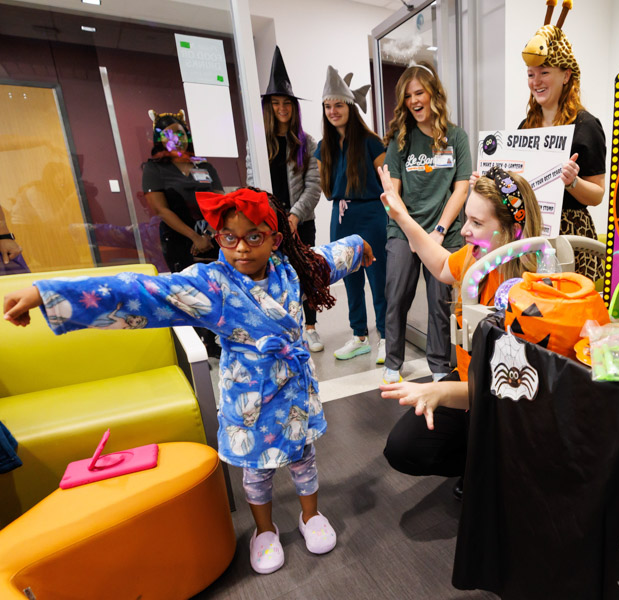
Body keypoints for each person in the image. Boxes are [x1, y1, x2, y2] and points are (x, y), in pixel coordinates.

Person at [3, 187, 374, 576]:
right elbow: (142, 292)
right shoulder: (212, 285)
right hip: (252, 399)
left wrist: (361, 244)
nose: (241, 248)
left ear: (275, 239)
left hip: (295, 392)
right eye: (228, 238)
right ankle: (264, 530)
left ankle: (310, 516)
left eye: (253, 237)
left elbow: (330, 257)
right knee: (256, 471)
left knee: (304, 458)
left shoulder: (292, 269)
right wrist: (46, 294)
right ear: (218, 239)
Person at [377, 164, 542, 496]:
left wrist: (437, 392)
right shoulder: (477, 258)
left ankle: (492, 470)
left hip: (508, 403)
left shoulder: (531, 292)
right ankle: (478, 465)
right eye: (466, 218)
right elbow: (440, 264)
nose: (464, 230)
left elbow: (508, 388)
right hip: (471, 387)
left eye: (477, 223)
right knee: (403, 447)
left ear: (513, 232)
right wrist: (402, 217)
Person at [382, 61, 472, 384]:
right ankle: (393, 362)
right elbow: (394, 191)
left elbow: (461, 188)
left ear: (434, 93)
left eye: (419, 92)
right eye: (408, 96)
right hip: (404, 231)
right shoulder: (400, 141)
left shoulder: (456, 137)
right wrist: (410, 229)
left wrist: (438, 232)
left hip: (443, 234)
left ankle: (437, 366)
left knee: (439, 303)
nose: (414, 101)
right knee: (397, 296)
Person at [519, 3, 606, 281]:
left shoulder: (586, 125)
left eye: (545, 72)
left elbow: (598, 194)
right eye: (531, 74)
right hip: (532, 234)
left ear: (566, 75)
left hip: (572, 238)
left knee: (570, 317)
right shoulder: (525, 127)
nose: (536, 82)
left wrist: (573, 182)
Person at [316, 65, 387, 363]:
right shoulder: (324, 148)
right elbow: (328, 191)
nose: (333, 111)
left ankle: (385, 335)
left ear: (350, 107)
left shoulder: (372, 142)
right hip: (341, 216)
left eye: (339, 105)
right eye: (328, 107)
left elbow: (388, 182)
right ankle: (359, 336)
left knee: (378, 278)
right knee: (349, 279)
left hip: (371, 214)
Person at [142, 110, 223, 356]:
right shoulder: (154, 169)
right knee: (189, 290)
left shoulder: (204, 165)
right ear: (160, 140)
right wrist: (195, 237)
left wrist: (209, 233)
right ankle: (199, 345)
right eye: (168, 135)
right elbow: (161, 209)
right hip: (179, 239)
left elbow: (218, 200)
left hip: (213, 235)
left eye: (179, 132)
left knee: (216, 287)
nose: (176, 139)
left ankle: (217, 340)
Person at [261, 47, 324, 353]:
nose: (282, 108)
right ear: (269, 106)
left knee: (305, 274)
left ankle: (310, 327)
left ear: (294, 107)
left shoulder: (307, 142)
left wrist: (295, 217)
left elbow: (314, 187)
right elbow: (253, 183)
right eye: (276, 103)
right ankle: (285, 328)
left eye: (287, 103)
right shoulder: (259, 143)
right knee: (273, 276)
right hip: (268, 224)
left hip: (301, 223)